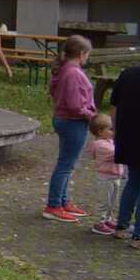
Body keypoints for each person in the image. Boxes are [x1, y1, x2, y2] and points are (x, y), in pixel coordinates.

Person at [106, 40, 140, 251]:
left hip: (128, 138)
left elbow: (114, 106)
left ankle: (121, 227)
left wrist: (116, 132)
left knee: (133, 182)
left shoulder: (128, 74)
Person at [45, 35, 96, 223]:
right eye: (87, 54)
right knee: (66, 165)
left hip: (65, 119)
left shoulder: (65, 69)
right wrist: (92, 116)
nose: (87, 57)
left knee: (67, 163)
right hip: (73, 121)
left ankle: (62, 200)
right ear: (82, 54)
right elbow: (75, 105)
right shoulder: (73, 73)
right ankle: (53, 205)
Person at [86, 114, 126, 235]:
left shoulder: (109, 141)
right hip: (105, 178)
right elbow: (116, 153)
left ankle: (108, 219)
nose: (113, 131)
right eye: (110, 129)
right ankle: (99, 223)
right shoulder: (100, 145)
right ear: (100, 131)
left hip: (115, 177)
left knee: (112, 201)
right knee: (104, 201)